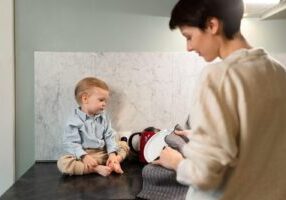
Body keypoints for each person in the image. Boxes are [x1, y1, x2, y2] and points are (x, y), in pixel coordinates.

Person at [153, 0, 286, 199]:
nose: (189, 47)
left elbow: (205, 175)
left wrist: (176, 162)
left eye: (189, 37)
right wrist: (204, 132)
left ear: (212, 25)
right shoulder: (278, 72)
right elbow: (259, 136)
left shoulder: (218, 76)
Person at [57, 77, 129, 176]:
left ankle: (114, 162)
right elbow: (72, 143)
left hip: (103, 153)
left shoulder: (103, 116)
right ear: (85, 99)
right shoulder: (73, 121)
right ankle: (96, 169)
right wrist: (84, 157)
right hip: (85, 155)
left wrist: (112, 154)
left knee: (123, 145)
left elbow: (109, 136)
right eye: (101, 100)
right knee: (63, 163)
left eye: (105, 101)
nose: (104, 104)